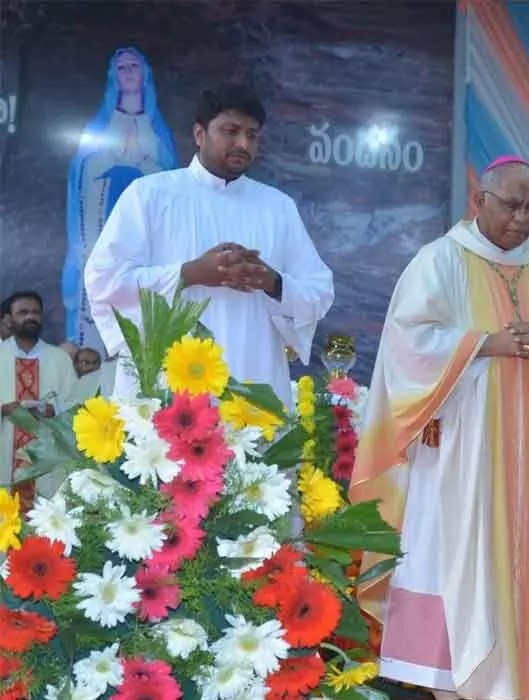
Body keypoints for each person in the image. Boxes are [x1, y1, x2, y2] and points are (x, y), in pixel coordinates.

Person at [350, 156, 529, 700]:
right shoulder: (440, 261)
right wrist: (487, 344)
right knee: (453, 558)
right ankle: (451, 689)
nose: (523, 217)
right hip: (459, 446)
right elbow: (406, 341)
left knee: (521, 558)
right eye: (513, 204)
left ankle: (513, 684)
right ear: (479, 201)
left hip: (527, 449)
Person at [84, 83, 333, 404]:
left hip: (253, 378)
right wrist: (190, 273)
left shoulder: (277, 206)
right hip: (168, 384)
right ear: (199, 133)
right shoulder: (149, 194)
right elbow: (104, 281)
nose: (243, 143)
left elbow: (319, 292)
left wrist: (272, 282)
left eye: (252, 135)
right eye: (231, 131)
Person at [64, 47, 179, 348]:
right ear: (113, 76)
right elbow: (83, 172)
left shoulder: (156, 130)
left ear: (145, 74)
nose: (128, 72)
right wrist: (111, 158)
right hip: (102, 215)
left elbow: (168, 181)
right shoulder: (100, 125)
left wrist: (141, 164)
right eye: (122, 67)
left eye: (134, 66)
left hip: (141, 224)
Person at [0, 291, 77, 511]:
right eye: (22, 312)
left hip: (47, 458)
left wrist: (56, 410)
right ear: (9, 319)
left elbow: (75, 403)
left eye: (35, 312)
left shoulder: (59, 358)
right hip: (6, 452)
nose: (30, 317)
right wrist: (4, 409)